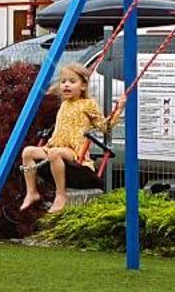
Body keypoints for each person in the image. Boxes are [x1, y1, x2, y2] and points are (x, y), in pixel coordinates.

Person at [18, 62, 113, 215]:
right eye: (63, 82)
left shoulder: (88, 104)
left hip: (75, 154)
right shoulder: (64, 104)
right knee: (28, 152)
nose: (66, 85)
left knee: (54, 153)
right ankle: (32, 192)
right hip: (54, 149)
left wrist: (118, 110)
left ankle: (61, 194)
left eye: (72, 82)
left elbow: (104, 127)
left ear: (83, 86)